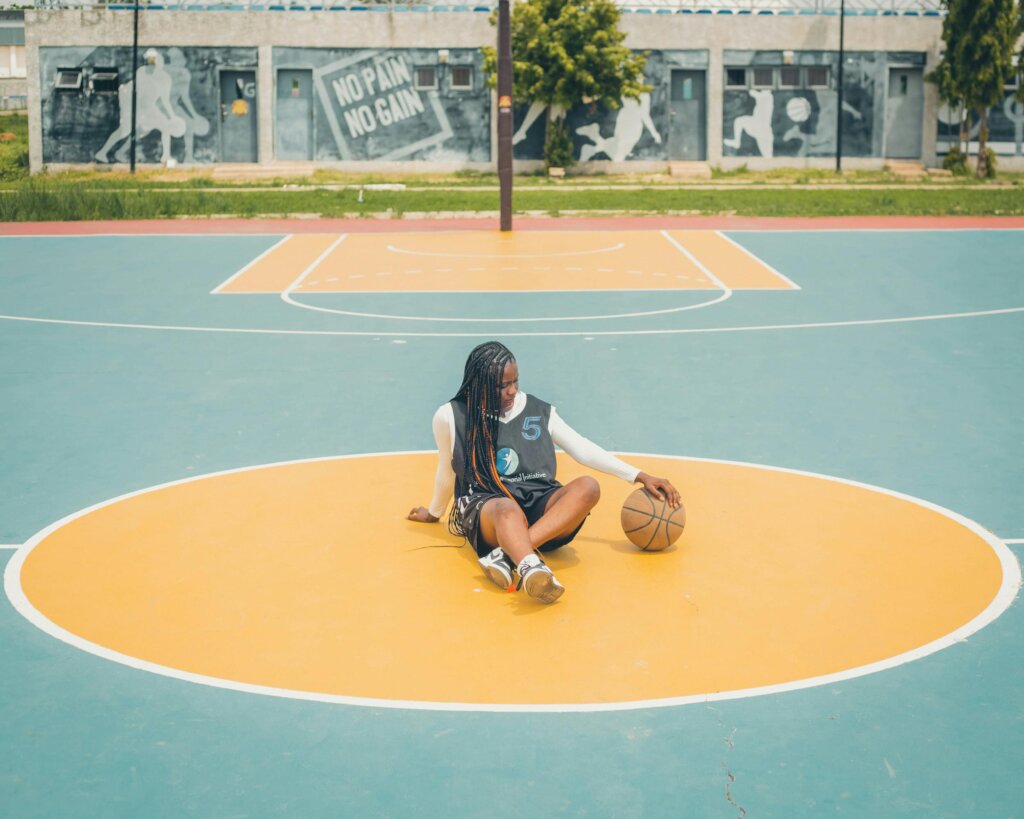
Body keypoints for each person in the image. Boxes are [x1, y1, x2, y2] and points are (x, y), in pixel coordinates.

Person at [408, 341, 681, 604]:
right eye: (502, 385)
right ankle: (530, 567)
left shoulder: (539, 410)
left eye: (515, 382)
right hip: (490, 508)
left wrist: (639, 475)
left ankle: (507, 556)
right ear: (479, 384)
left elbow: (582, 449)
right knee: (507, 509)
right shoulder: (450, 416)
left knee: (588, 486)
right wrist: (433, 513)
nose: (512, 391)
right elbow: (447, 468)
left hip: (540, 507)